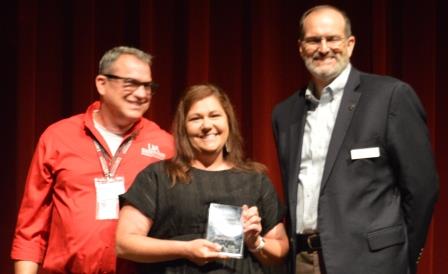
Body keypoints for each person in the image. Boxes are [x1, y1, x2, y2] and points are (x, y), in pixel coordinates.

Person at [271, 5, 439, 274]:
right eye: (314, 40)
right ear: (301, 47)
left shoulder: (390, 97)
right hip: (304, 262)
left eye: (332, 38)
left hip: (374, 264)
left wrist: (402, 256)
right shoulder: (285, 113)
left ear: (350, 44)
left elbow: (422, 188)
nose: (323, 48)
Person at [11, 46, 175, 274]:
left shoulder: (165, 145)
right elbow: (31, 226)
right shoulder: (58, 137)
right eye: (131, 83)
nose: (141, 94)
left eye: (148, 86)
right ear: (101, 83)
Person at [116, 84, 289, 273]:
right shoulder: (158, 176)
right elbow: (123, 243)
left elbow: (280, 249)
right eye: (196, 118)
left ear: (228, 122)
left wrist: (255, 241)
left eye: (215, 116)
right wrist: (185, 249)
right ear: (183, 128)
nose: (207, 126)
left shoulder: (255, 180)